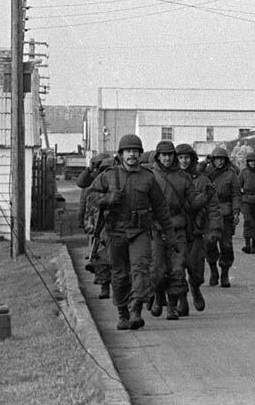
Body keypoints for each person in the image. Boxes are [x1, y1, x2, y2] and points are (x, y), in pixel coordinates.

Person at [86, 134, 174, 331]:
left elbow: (161, 208)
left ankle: (136, 308)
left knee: (142, 269)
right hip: (115, 231)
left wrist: (170, 234)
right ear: (121, 154)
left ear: (140, 154)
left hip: (140, 231)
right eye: (128, 151)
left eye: (135, 151)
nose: (132, 155)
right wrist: (108, 199)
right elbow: (90, 195)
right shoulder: (109, 175)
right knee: (119, 274)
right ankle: (123, 313)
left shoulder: (148, 178)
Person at [148, 140, 203, 321]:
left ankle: (171, 306)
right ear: (158, 156)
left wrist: (205, 197)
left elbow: (193, 202)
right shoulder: (150, 176)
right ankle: (158, 296)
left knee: (177, 269)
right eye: (163, 155)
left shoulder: (183, 177)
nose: (167, 158)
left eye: (170, 155)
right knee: (157, 269)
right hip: (156, 228)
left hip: (177, 228)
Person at [177, 143, 218, 314]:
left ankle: (195, 288)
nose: (184, 161)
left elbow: (213, 207)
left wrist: (214, 229)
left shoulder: (202, 180)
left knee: (196, 270)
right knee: (177, 269)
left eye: (187, 158)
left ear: (193, 159)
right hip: (177, 230)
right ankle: (181, 300)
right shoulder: (171, 178)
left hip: (196, 230)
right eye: (180, 158)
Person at [78, 152, 115, 299]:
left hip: (117, 225)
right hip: (100, 227)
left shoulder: (117, 184)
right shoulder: (95, 185)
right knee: (101, 259)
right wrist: (87, 221)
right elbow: (88, 205)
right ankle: (104, 286)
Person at [205, 147, 241, 288]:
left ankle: (225, 272)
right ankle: (213, 268)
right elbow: (195, 172)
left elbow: (236, 194)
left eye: (221, 159)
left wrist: (236, 211)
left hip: (225, 213)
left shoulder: (231, 175)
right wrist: (205, 162)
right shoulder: (207, 173)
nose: (219, 162)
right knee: (209, 243)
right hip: (209, 213)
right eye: (216, 159)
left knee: (226, 245)